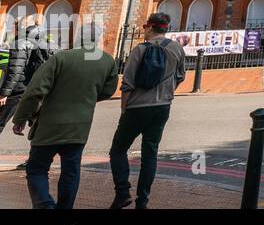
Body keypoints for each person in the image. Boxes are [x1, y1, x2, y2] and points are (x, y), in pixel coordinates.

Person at [10, 21, 119, 209]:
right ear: (98, 38)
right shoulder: (107, 61)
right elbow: (108, 91)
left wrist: (20, 119)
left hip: (48, 127)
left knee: (36, 169)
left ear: (78, 37)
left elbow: (35, 91)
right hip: (79, 127)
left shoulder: (61, 58)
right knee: (71, 172)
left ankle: (45, 205)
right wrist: (87, 98)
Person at [109, 11, 187, 209]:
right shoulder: (177, 49)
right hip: (162, 108)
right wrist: (166, 93)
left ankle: (122, 192)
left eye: (145, 27)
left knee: (118, 149)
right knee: (149, 154)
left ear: (151, 27)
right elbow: (180, 77)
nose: (144, 31)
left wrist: (124, 109)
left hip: (136, 107)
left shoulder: (139, 50)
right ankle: (142, 202)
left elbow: (127, 83)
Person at [0, 25, 50, 132]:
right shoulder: (46, 45)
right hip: (37, 88)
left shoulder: (20, 43)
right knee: (36, 122)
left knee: (1, 119)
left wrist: (4, 94)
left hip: (18, 89)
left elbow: (15, 70)